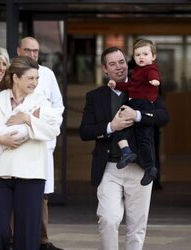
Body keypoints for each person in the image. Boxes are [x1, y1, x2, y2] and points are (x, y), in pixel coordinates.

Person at [79, 46, 169, 250]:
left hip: (139, 168)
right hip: (109, 168)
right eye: (112, 64)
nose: (119, 67)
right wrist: (112, 127)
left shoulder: (145, 87)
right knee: (108, 219)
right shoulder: (95, 96)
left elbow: (164, 116)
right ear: (104, 69)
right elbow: (85, 131)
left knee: (137, 227)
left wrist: (138, 116)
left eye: (121, 62)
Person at [0, 56, 61, 250]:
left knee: (27, 234)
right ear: (15, 78)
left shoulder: (42, 101)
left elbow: (53, 129)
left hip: (30, 175)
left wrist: (27, 119)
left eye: (37, 78)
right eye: (30, 78)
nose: (35, 83)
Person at [17, 36, 64, 250]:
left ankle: (42, 240)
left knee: (41, 193)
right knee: (15, 190)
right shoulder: (11, 75)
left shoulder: (48, 75)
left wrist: (40, 118)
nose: (32, 55)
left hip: (41, 142)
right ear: (19, 51)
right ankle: (13, 239)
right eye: (28, 50)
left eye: (35, 51)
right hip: (16, 144)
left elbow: (58, 107)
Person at [108, 39, 161, 185]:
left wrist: (155, 81)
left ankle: (150, 168)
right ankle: (127, 152)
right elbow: (129, 86)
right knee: (119, 126)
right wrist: (116, 85)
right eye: (137, 55)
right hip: (134, 103)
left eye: (145, 54)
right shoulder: (137, 71)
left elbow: (153, 74)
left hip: (144, 105)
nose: (141, 57)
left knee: (144, 138)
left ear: (153, 56)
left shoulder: (150, 69)